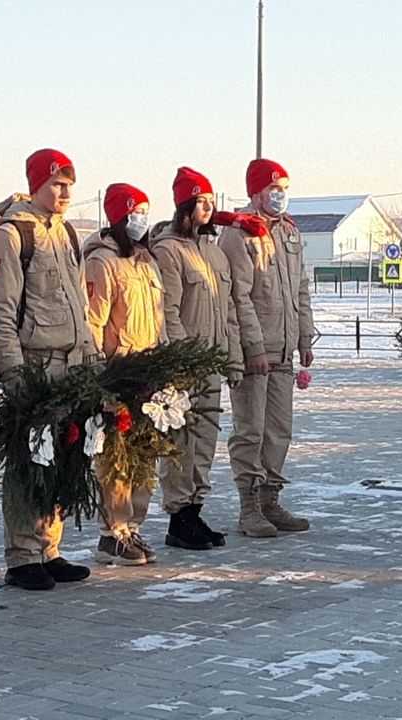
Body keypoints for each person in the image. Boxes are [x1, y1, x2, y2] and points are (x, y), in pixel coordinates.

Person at [0, 149, 97, 591]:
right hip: (34, 366)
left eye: (69, 185)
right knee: (30, 460)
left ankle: (50, 548)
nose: (64, 193)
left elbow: (79, 306)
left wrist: (90, 361)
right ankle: (23, 556)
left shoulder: (65, 233)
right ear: (36, 185)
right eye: (56, 184)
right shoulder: (11, 237)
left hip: (70, 365)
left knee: (63, 457)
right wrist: (14, 375)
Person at [149, 167, 243, 551]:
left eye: (211, 201)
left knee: (204, 442)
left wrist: (233, 356)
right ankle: (178, 515)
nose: (208, 208)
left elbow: (230, 310)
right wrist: (180, 359)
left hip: (212, 362)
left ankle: (195, 508)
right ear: (185, 205)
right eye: (201, 201)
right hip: (186, 364)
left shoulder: (215, 252)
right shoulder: (169, 250)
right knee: (180, 442)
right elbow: (168, 310)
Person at [220, 159, 316, 538]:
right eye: (273, 189)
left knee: (279, 430)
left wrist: (304, 337)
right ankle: (248, 509)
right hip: (254, 353)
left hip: (284, 350)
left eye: (284, 189)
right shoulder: (239, 234)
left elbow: (301, 289)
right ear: (256, 192)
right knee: (251, 431)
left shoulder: (289, 233)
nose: (280, 196)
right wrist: (253, 345)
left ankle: (269, 501)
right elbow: (238, 297)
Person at [82, 183, 164, 566]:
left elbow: (158, 318)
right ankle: (111, 533)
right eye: (133, 214)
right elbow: (94, 323)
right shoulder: (102, 262)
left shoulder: (145, 261)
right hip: (119, 371)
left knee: (144, 459)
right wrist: (99, 376)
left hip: (149, 372)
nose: (140, 221)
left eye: (144, 213)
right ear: (117, 218)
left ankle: (133, 527)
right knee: (116, 461)